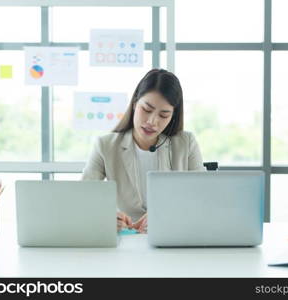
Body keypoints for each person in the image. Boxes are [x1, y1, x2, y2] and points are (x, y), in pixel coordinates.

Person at [82, 69, 205, 233]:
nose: (152, 121)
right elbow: (83, 199)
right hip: (126, 239)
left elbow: (202, 197)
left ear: (173, 116)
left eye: (164, 115)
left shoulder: (186, 143)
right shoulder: (105, 145)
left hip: (173, 235)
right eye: (146, 110)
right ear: (134, 104)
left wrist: (165, 214)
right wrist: (106, 217)